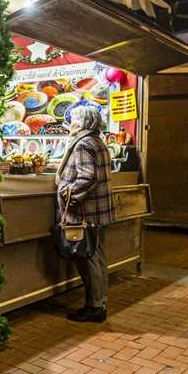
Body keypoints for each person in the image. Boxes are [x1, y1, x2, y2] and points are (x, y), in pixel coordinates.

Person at [55, 106, 114, 324]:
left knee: (87, 259)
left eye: (73, 120)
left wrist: (66, 193)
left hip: (85, 214)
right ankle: (100, 302)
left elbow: (88, 177)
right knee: (97, 257)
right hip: (99, 212)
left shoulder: (82, 144)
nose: (70, 124)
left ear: (80, 124)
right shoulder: (97, 142)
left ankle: (94, 307)